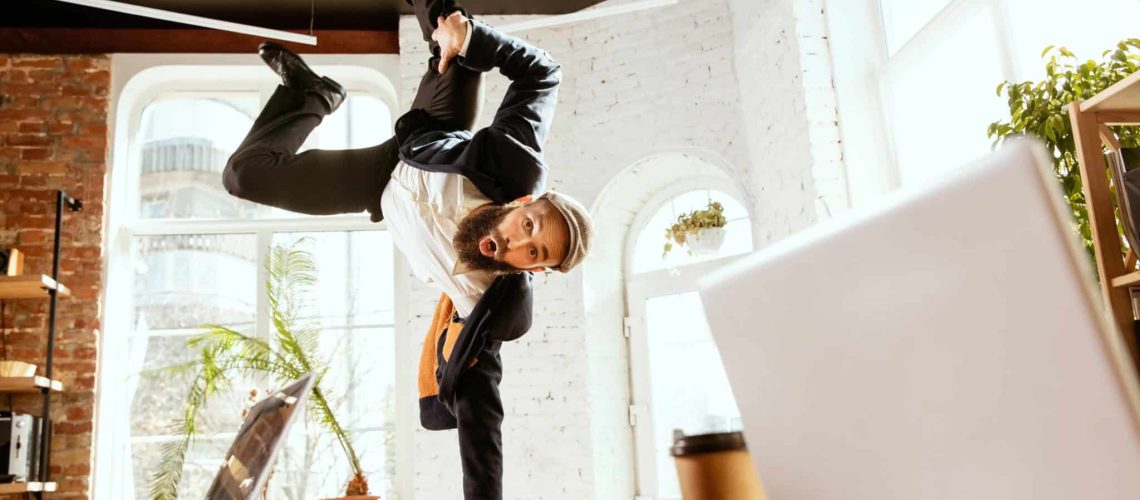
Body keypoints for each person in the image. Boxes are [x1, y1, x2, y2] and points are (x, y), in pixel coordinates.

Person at [220, 0, 594, 498]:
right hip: (429, 137)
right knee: (442, 16)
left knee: (243, 176)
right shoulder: (514, 164)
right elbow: (542, 74)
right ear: (524, 201)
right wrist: (471, 40)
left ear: (537, 271)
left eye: (532, 253)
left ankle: (312, 94)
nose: (515, 241)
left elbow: (483, 426)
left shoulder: (485, 304)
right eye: (528, 224)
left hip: (377, 187)